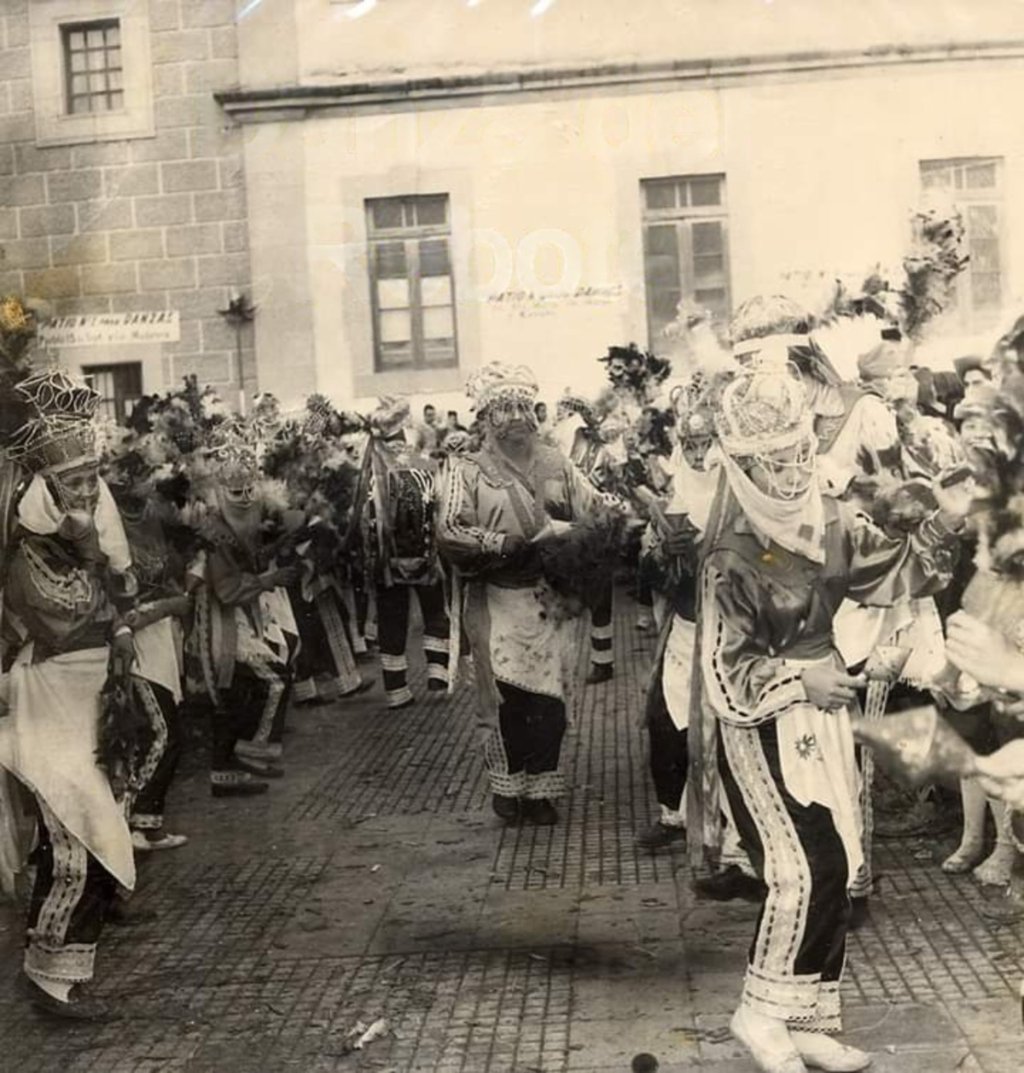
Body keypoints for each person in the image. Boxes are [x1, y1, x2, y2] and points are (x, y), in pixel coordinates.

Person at [698, 364, 969, 1073]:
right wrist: (799, 675)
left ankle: (808, 1016)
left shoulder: (831, 517)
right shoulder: (729, 557)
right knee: (799, 866)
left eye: (796, 451)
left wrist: (943, 517)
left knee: (839, 863)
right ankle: (759, 1013)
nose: (791, 471)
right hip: (763, 726)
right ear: (745, 467)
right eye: (773, 461)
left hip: (825, 714)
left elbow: (896, 570)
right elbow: (727, 674)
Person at [0, 370, 137, 1020]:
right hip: (49, 702)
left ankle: (62, 974)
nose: (86, 492)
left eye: (90, 480)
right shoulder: (32, 554)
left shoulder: (77, 546)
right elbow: (70, 614)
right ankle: (48, 976)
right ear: (46, 490)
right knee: (72, 831)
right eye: (73, 482)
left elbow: (117, 600)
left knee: (87, 828)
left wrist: (108, 577)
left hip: (87, 700)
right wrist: (96, 566)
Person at [438, 362, 621, 826]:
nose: (515, 418)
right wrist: (501, 544)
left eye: (523, 407)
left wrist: (597, 526)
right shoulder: (467, 469)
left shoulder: (557, 463)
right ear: (484, 418)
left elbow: (596, 508)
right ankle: (507, 786)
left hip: (549, 603)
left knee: (551, 701)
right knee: (504, 701)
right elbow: (451, 527)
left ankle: (541, 789)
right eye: (503, 410)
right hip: (497, 600)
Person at [190, 434, 300, 794]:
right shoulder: (214, 531)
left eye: (250, 490)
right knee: (273, 680)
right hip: (223, 623)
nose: (246, 498)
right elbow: (227, 589)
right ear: (220, 493)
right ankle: (251, 753)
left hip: (245, 615)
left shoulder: (252, 520)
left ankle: (229, 774)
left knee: (239, 693)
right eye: (235, 493)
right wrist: (269, 579)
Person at [363, 397, 451, 709]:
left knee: (393, 619)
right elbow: (442, 505)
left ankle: (397, 690)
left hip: (392, 561)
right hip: (424, 556)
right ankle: (437, 676)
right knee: (432, 612)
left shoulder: (369, 472)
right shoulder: (425, 465)